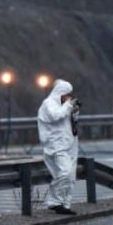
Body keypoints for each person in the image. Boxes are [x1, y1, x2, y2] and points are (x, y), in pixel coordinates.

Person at [37, 79, 80, 215]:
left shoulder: (63, 106)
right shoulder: (48, 104)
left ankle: (64, 204)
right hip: (56, 147)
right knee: (65, 172)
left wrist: (75, 111)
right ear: (60, 93)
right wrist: (68, 106)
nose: (68, 98)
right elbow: (56, 116)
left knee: (70, 177)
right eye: (66, 95)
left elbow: (69, 123)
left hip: (69, 145)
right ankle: (54, 201)